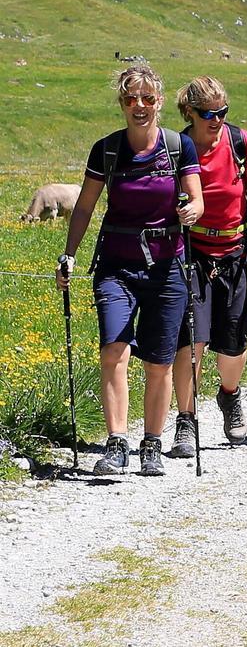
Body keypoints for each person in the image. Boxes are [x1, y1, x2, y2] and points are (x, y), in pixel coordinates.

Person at [58, 63, 203, 477]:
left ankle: (152, 445)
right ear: (121, 103)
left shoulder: (178, 147)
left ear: (158, 101)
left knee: (158, 362)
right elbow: (84, 207)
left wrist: (192, 209)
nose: (138, 106)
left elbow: (198, 200)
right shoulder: (106, 149)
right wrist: (69, 255)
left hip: (167, 268)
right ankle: (117, 443)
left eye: (147, 98)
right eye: (130, 99)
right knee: (113, 352)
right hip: (116, 267)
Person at [169, 76, 247, 455]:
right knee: (192, 340)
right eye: (207, 113)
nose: (215, 119)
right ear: (190, 112)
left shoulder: (241, 144)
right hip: (191, 252)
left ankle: (229, 395)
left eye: (222, 112)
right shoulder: (176, 148)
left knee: (231, 345)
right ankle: (186, 419)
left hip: (235, 251)